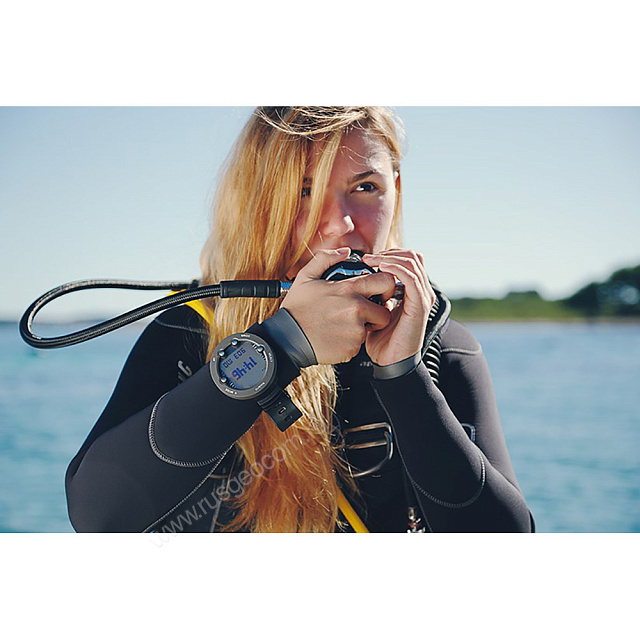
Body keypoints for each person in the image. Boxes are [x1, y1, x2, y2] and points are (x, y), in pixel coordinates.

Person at [65, 106, 535, 533]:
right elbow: (99, 516)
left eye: (366, 187)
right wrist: (280, 345)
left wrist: (403, 377)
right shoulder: (190, 332)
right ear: (256, 197)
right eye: (304, 190)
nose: (339, 224)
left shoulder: (437, 345)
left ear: (397, 190)